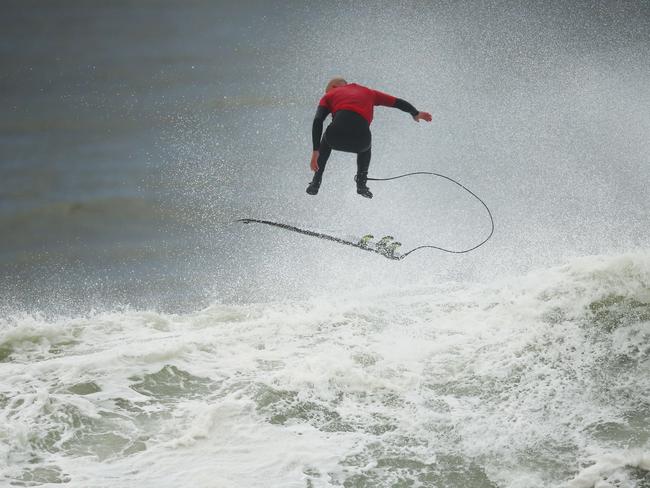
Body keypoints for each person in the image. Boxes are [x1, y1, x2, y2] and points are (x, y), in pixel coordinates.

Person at [308, 77, 432, 198]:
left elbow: (318, 121)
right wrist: (416, 113)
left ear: (334, 87)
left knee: (326, 137)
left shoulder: (330, 94)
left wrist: (315, 151)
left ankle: (316, 182)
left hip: (335, 136)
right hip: (361, 141)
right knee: (366, 146)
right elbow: (397, 102)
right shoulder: (370, 92)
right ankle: (361, 184)